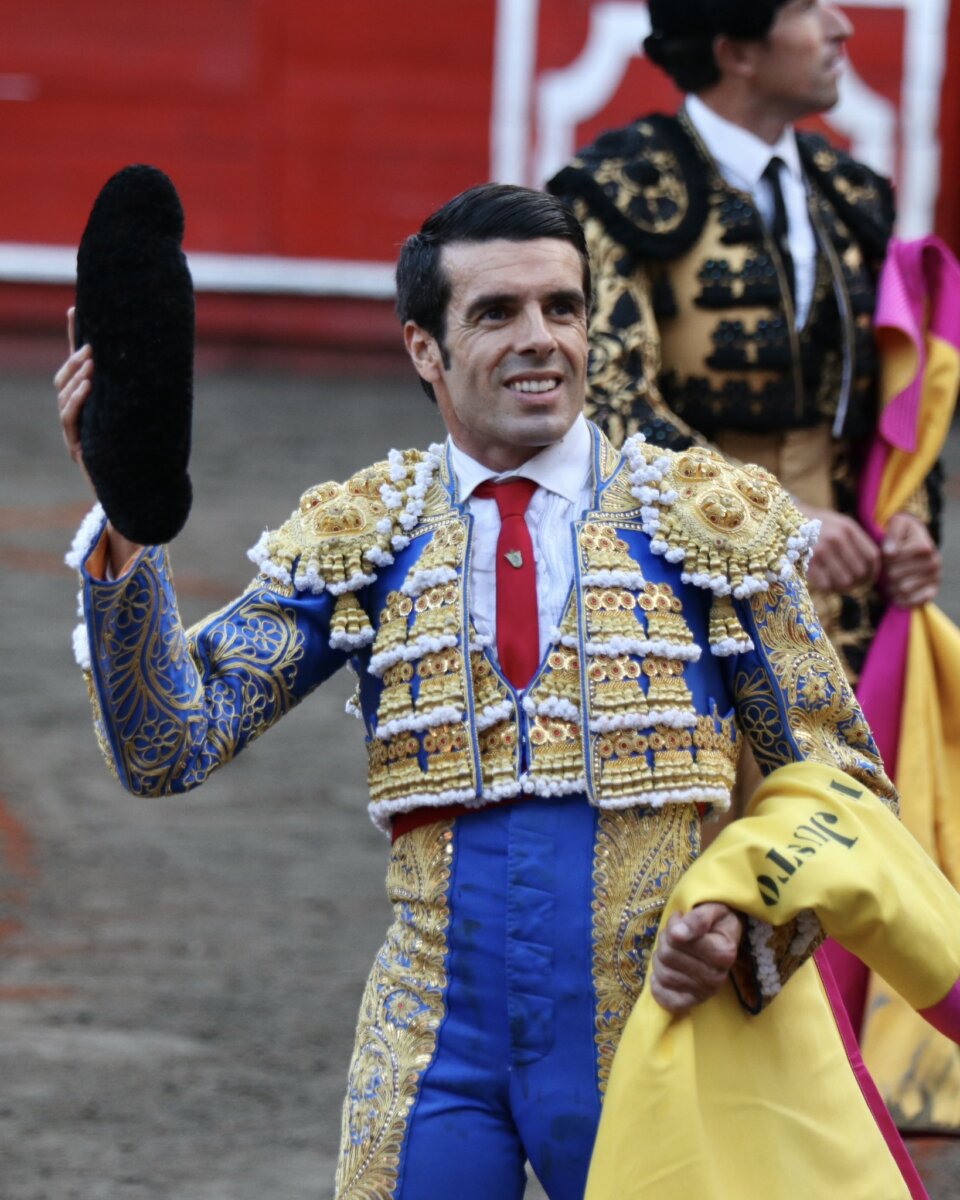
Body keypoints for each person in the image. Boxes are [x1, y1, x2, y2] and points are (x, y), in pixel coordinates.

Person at [57, 183, 898, 1199]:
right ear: (425, 348)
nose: (541, 338)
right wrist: (126, 519)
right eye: (497, 312)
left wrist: (744, 920)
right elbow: (167, 746)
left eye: (562, 307)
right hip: (434, 1048)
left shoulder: (706, 521)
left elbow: (843, 782)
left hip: (657, 1027)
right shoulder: (367, 533)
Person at [547, 0, 941, 686]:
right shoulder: (616, 189)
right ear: (736, 53)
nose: (840, 26)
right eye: (807, 8)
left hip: (845, 581)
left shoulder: (849, 191)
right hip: (675, 572)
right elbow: (603, 400)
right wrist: (770, 518)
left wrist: (906, 519)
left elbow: (900, 389)